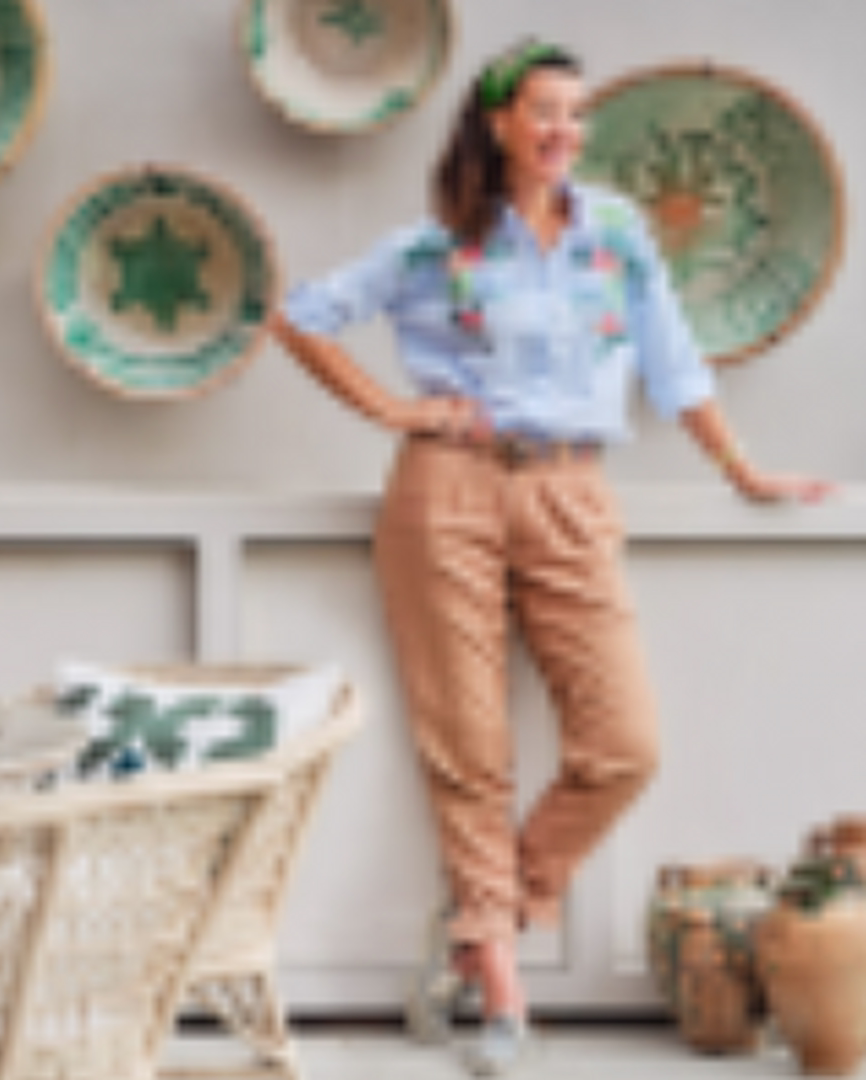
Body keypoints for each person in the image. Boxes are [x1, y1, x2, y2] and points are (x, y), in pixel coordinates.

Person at [269, 38, 832, 1076]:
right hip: (447, 494)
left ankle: (477, 933)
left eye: (576, 113)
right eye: (544, 111)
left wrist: (743, 471)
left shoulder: (617, 234)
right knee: (468, 749)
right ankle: (503, 999)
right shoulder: (432, 248)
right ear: (496, 122)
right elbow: (298, 316)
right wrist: (400, 409)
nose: (566, 130)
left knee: (624, 743)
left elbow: (673, 363)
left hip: (574, 489)